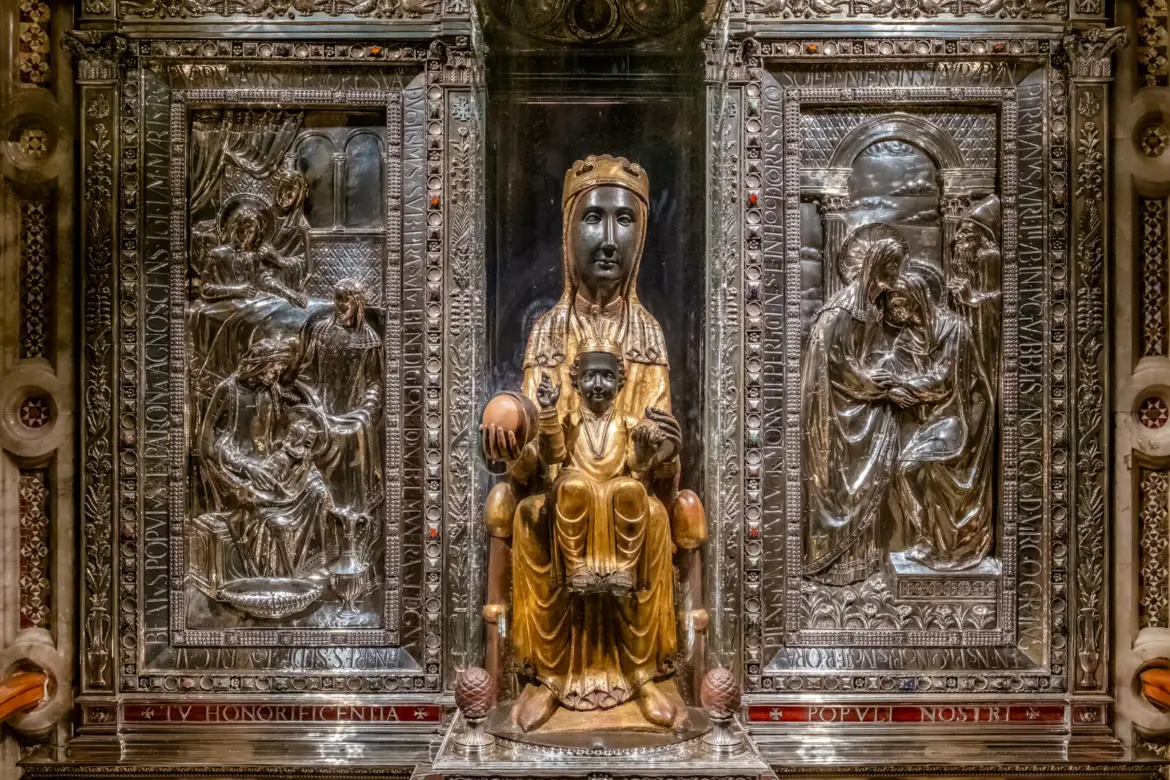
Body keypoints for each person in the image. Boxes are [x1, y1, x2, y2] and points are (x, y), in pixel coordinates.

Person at [480, 155, 702, 734]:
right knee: (538, 512)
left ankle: (643, 673)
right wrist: (514, 434)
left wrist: (662, 451)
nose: (607, 239)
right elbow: (530, 458)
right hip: (565, 491)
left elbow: (660, 454)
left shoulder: (647, 333)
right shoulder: (548, 332)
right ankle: (549, 676)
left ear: (644, 233)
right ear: (567, 228)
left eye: (624, 220)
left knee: (650, 517)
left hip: (626, 488)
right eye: (593, 218)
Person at [802, 224, 908, 587]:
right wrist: (879, 388)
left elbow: (868, 356)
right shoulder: (844, 310)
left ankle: (865, 562)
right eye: (892, 267)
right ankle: (834, 564)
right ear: (876, 264)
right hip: (837, 412)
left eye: (899, 267)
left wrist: (883, 378)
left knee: (881, 458)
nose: (896, 276)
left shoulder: (873, 306)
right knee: (841, 485)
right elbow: (839, 366)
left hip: (862, 407)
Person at [533, 341, 675, 599]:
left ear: (620, 383)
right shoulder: (567, 420)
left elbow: (635, 464)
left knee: (631, 488)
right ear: (575, 383)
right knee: (573, 487)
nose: (598, 384)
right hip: (575, 482)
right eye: (589, 376)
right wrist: (547, 412)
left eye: (607, 376)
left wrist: (644, 454)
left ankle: (625, 569)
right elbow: (553, 454)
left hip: (616, 482)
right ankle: (576, 565)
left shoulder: (628, 421)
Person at [884, 272, 996, 571]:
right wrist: (887, 385)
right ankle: (925, 537)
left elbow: (944, 379)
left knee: (913, 468)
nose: (897, 311)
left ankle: (947, 541)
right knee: (907, 471)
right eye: (893, 306)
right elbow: (891, 366)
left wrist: (903, 385)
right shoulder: (908, 337)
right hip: (932, 418)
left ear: (917, 297)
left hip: (961, 413)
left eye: (900, 303)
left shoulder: (954, 329)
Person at [298, 278, 383, 515]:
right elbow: (308, 372)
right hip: (321, 411)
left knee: (351, 467)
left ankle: (354, 519)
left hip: (353, 418)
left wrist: (366, 410)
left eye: (346, 302)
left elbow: (375, 383)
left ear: (358, 305)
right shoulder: (320, 331)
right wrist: (307, 399)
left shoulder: (370, 341)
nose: (340, 306)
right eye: (337, 300)